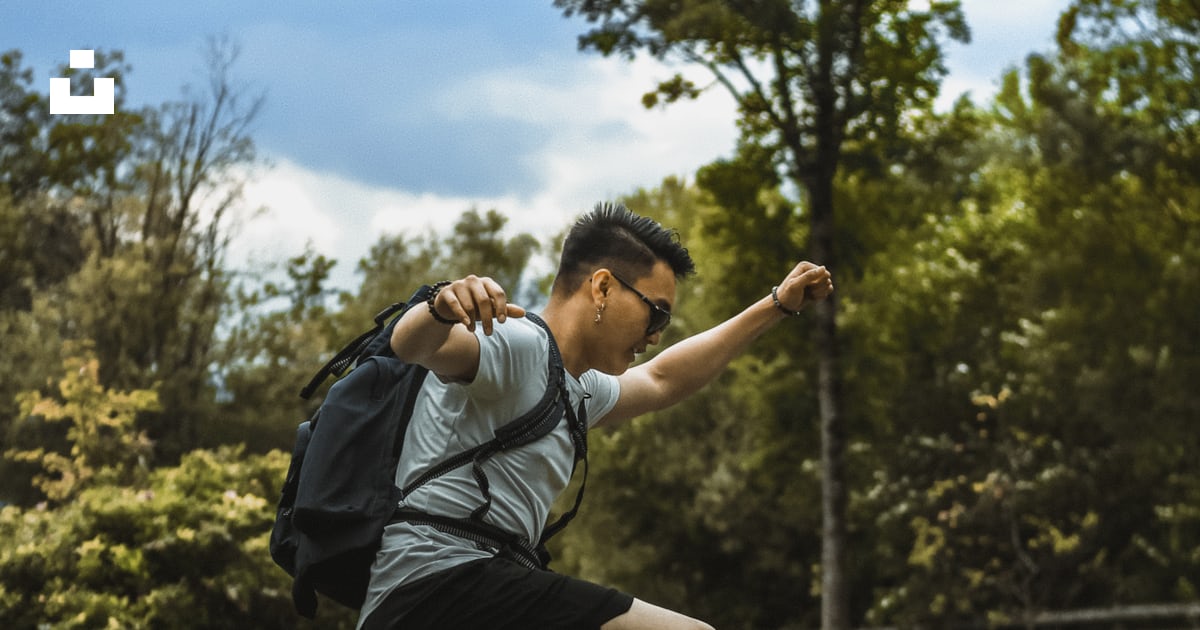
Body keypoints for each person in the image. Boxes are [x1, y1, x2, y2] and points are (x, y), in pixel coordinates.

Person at [357, 202, 834, 630]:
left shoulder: (578, 388)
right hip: (436, 585)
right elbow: (414, 345)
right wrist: (440, 306)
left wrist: (775, 305)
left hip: (453, 595)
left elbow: (664, 379)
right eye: (657, 315)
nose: (656, 337)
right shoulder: (516, 344)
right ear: (603, 286)